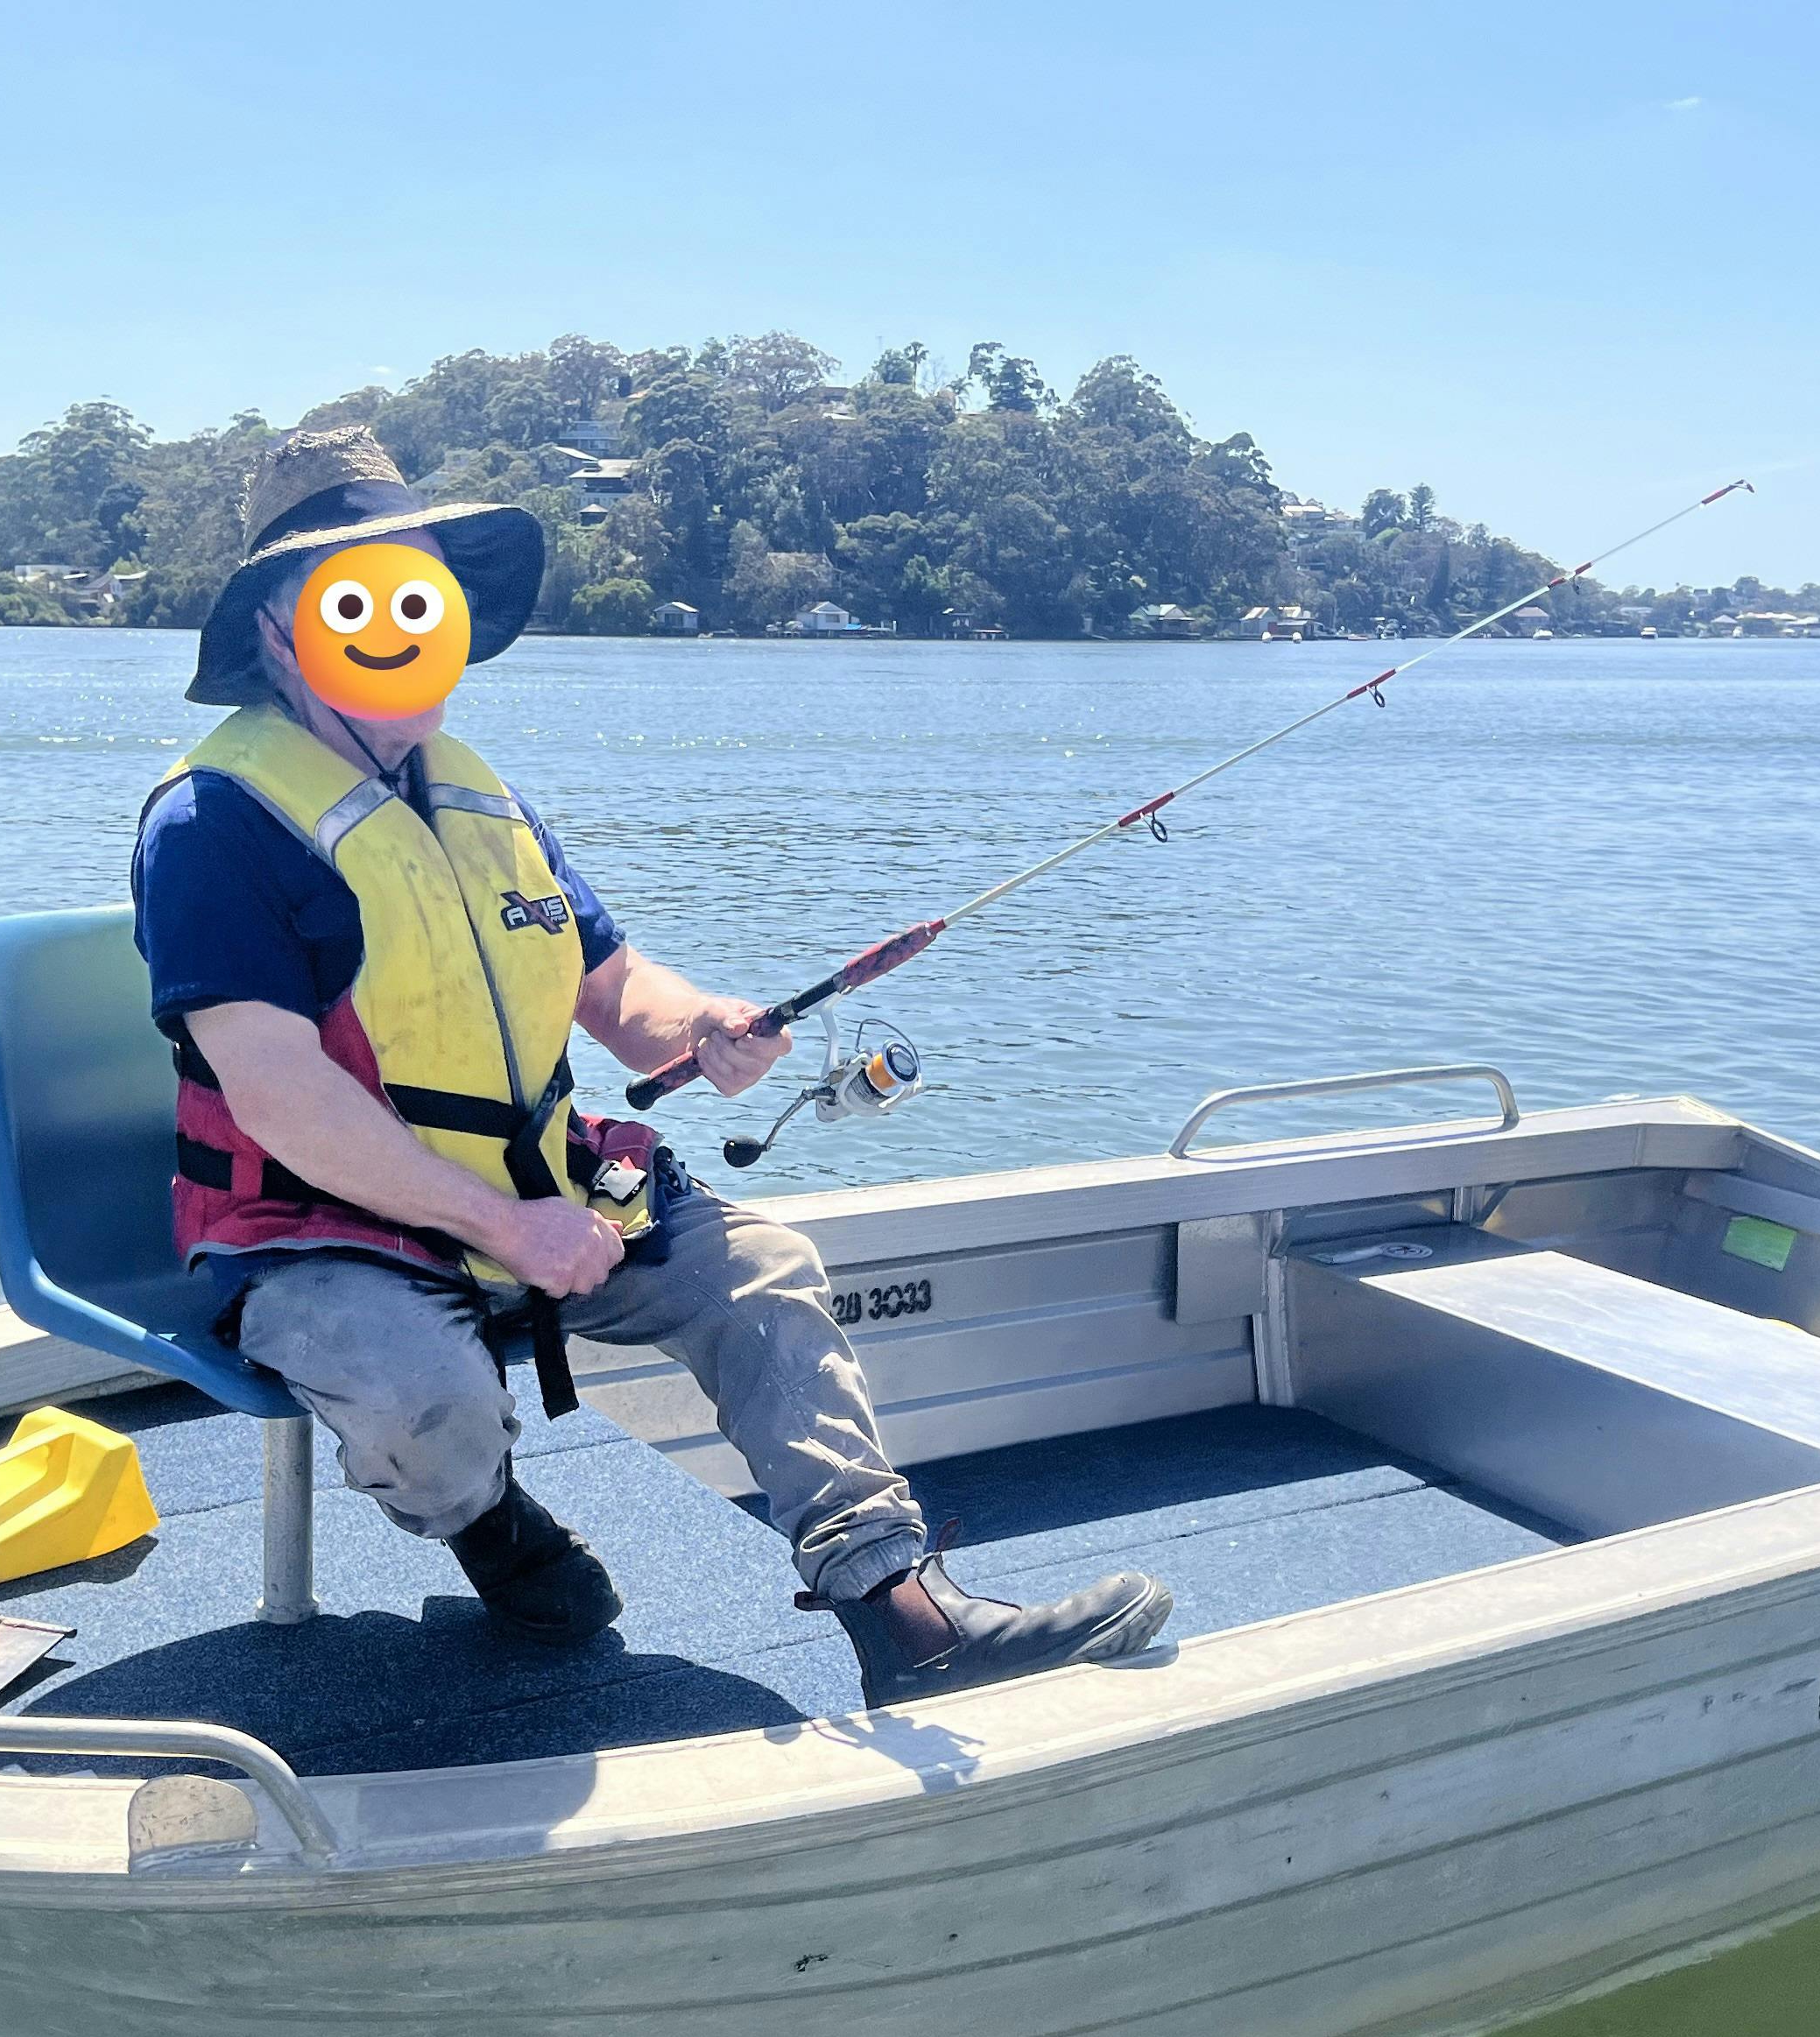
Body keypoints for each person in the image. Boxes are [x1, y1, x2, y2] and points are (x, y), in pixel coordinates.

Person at [128, 425, 1173, 1707]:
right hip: (323, 1227)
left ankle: (902, 1610)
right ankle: (494, 1534)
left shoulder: (480, 797)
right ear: (281, 635)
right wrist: (501, 1228)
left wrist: (703, 1027)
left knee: (763, 1271)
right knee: (420, 1400)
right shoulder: (212, 821)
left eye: (420, 593)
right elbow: (277, 1094)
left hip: (545, 1191)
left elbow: (613, 990)